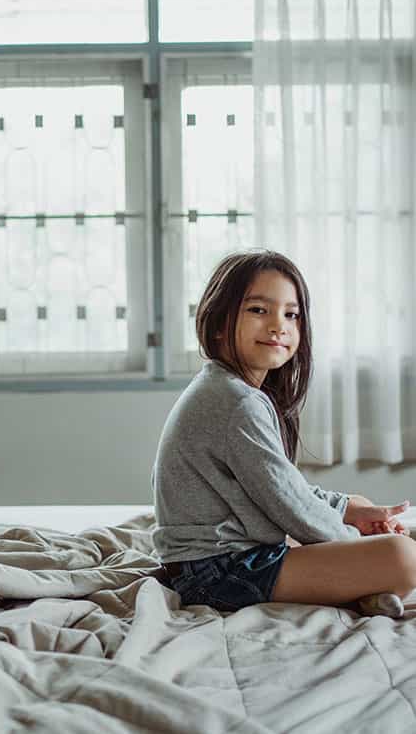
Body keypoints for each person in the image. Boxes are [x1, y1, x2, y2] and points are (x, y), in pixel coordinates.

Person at [152, 250, 416, 618]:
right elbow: (292, 508)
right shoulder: (236, 403)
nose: (279, 325)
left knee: (352, 506)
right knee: (403, 556)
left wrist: (346, 509)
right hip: (216, 573)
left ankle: (364, 589)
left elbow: (283, 486)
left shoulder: (229, 390)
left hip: (218, 560)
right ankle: (366, 586)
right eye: (259, 310)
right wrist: (358, 541)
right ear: (216, 323)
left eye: (291, 314)